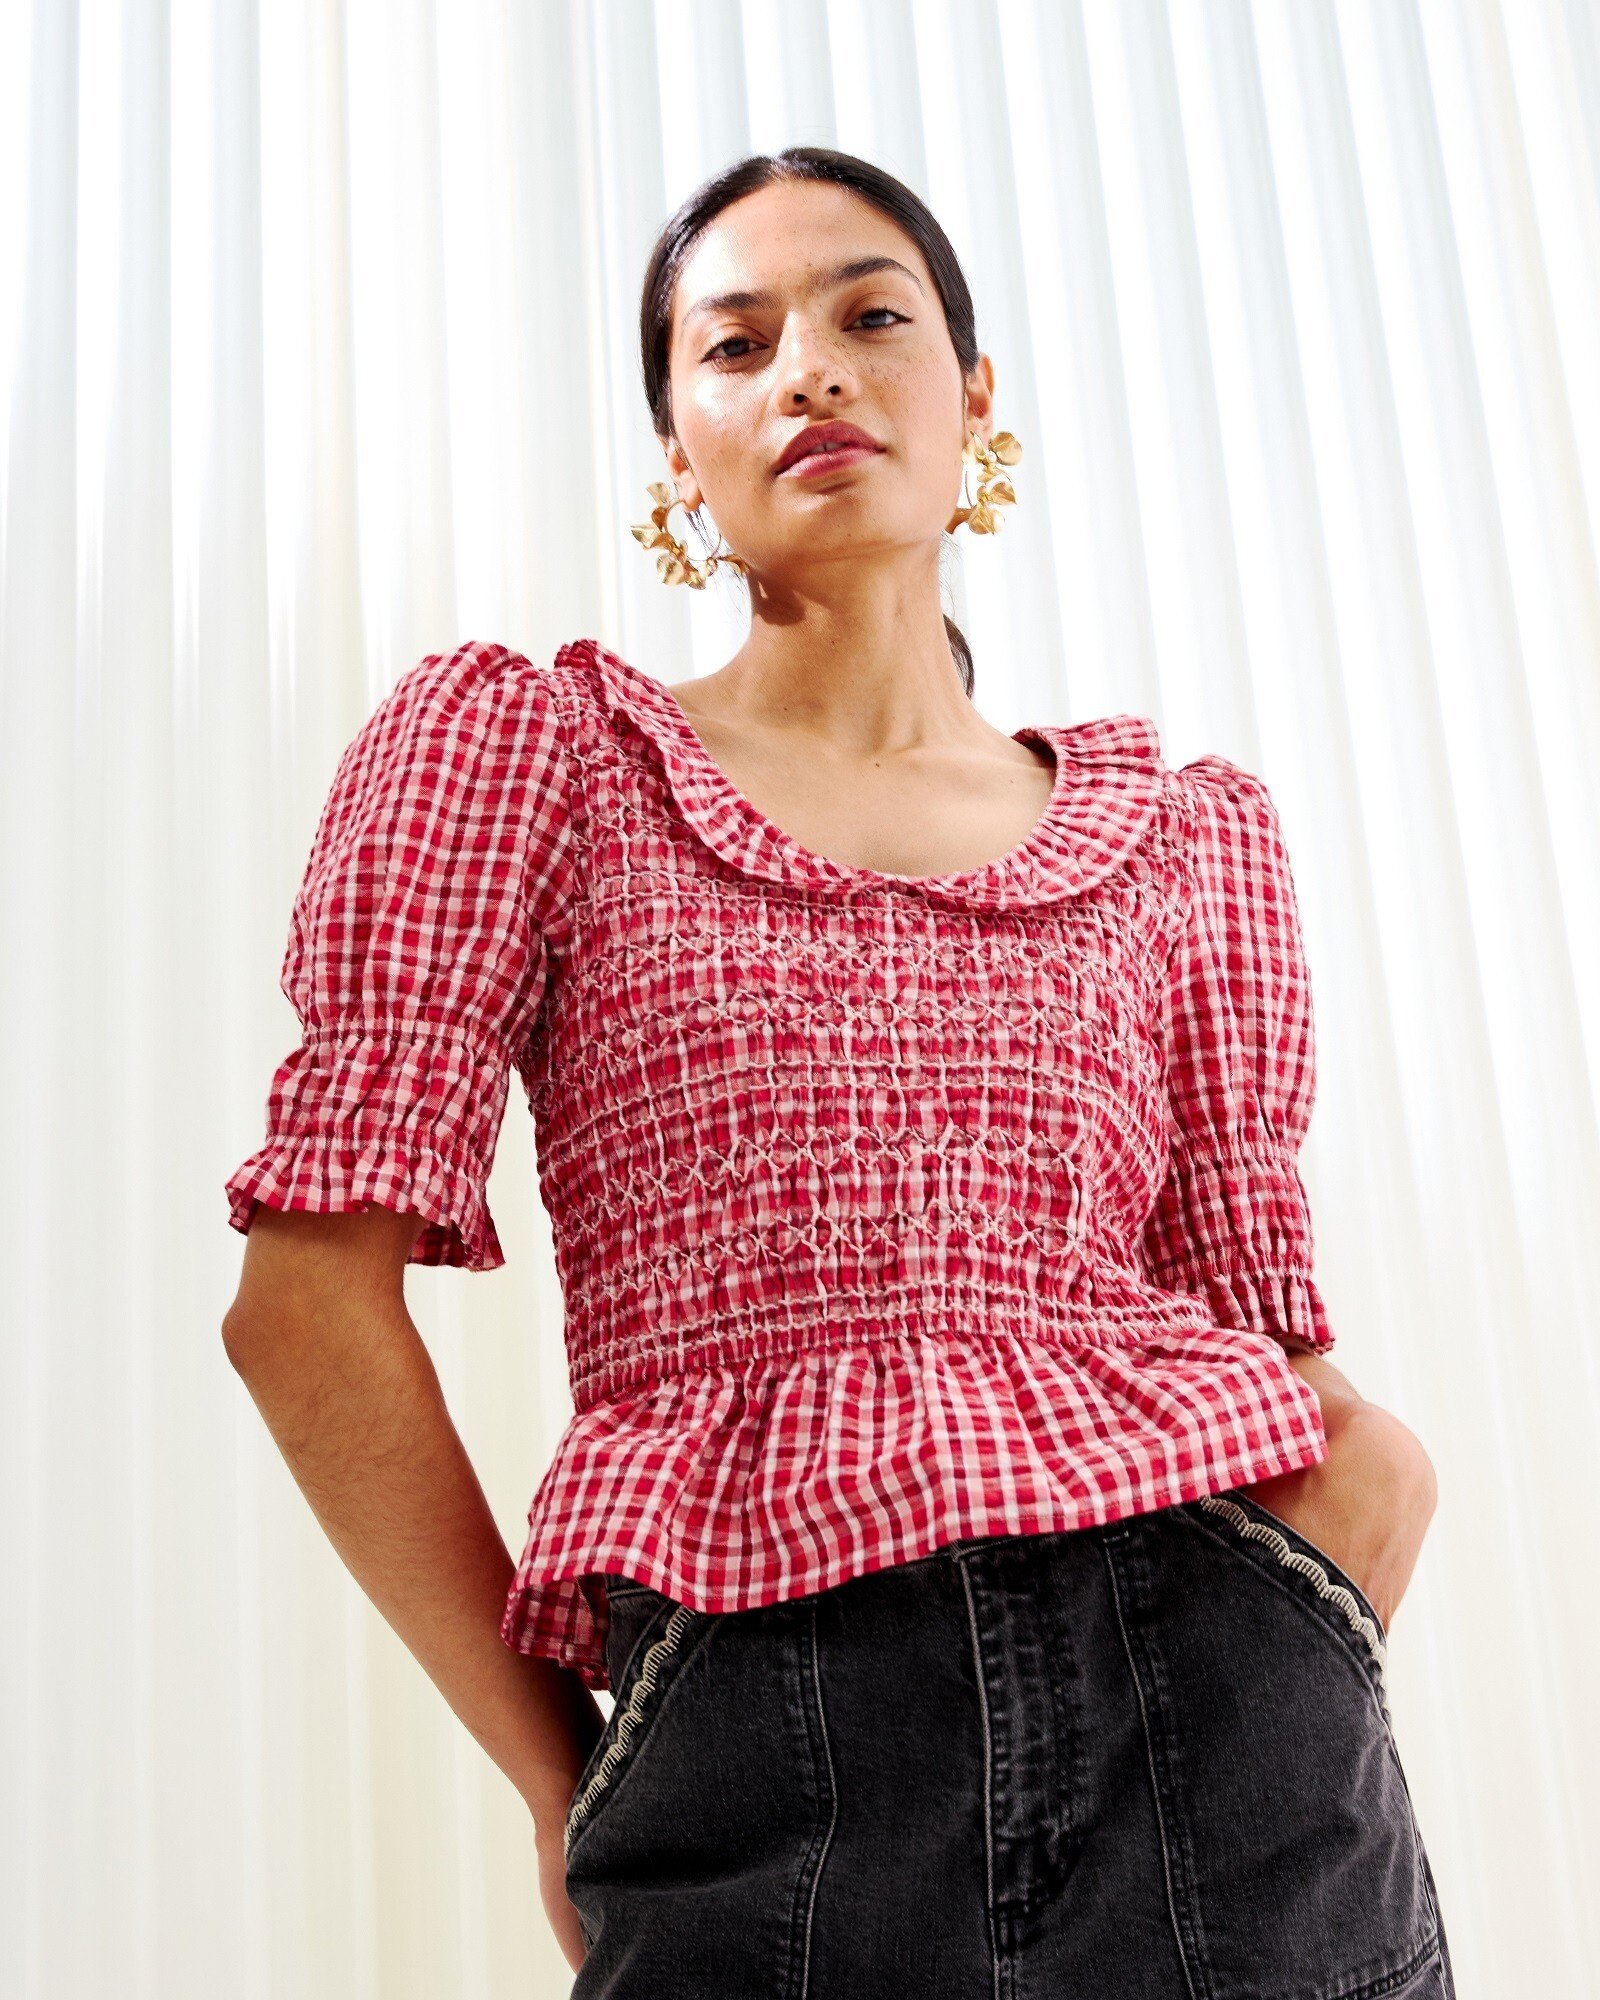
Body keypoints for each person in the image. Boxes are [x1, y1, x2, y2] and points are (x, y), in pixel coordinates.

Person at [221, 146, 1454, 1997]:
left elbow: (1260, 1337)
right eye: (736, 345)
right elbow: (303, 1308)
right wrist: (560, 1776)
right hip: (766, 1753)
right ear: (679, 456)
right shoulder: (539, 765)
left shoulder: (1180, 844)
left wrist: (1370, 1495)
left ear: (974, 401)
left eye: (871, 315)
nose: (808, 367)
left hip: (1222, 1723)